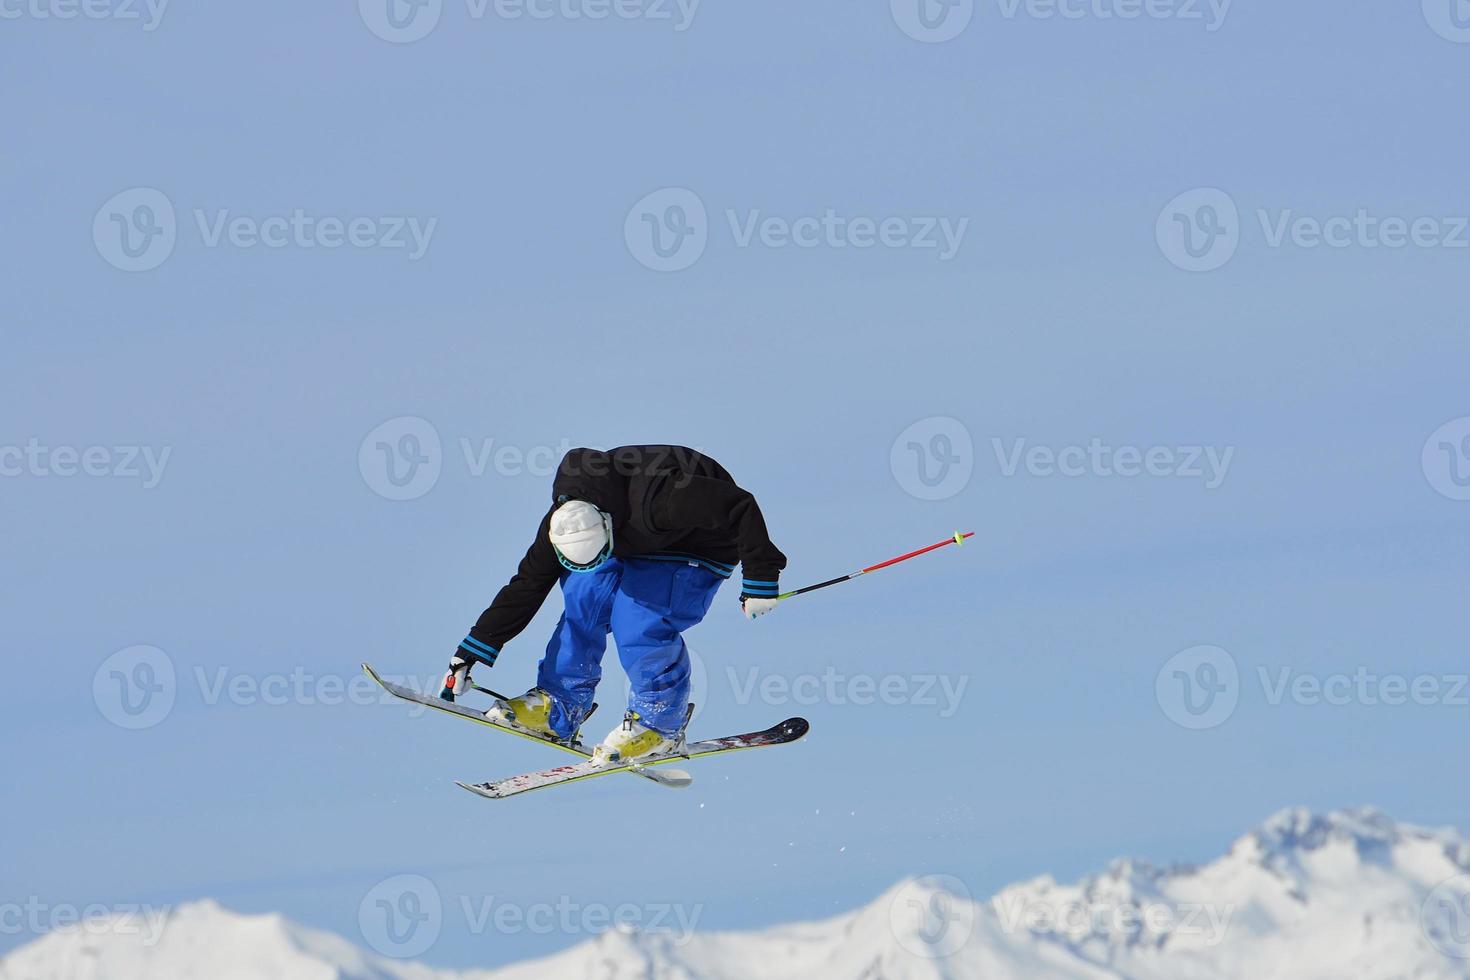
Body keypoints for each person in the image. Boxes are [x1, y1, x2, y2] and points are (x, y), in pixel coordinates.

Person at [441, 445, 786, 763]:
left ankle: (659, 723)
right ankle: (559, 704)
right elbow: (527, 585)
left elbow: (740, 506)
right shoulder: (560, 523)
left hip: (696, 544)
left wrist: (760, 579)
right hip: (632, 540)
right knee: (584, 596)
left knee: (636, 618)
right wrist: (472, 651)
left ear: (605, 524)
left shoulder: (663, 499)